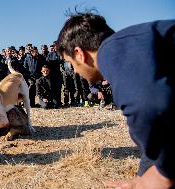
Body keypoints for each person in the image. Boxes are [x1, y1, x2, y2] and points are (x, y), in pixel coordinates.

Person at [56, 11, 175, 188]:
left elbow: (149, 107)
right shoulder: (135, 43)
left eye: (70, 63)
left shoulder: (112, 52)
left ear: (79, 53)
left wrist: (164, 174)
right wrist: (144, 176)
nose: (74, 71)